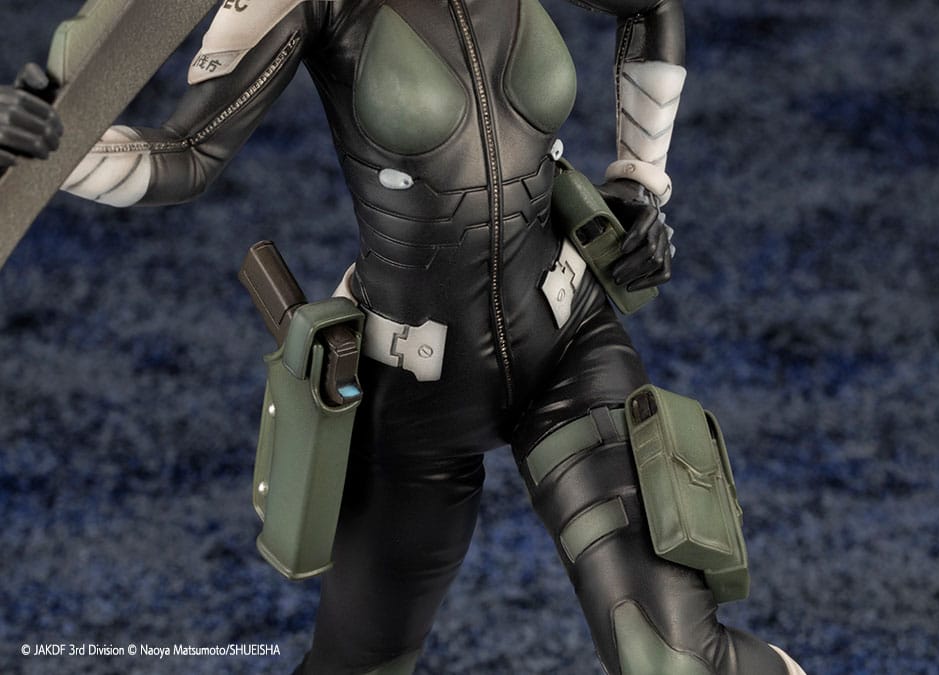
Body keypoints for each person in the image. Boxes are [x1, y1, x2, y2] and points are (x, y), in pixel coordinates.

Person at [0, 1, 807, 673]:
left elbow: (650, 8)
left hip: (568, 341)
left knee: (672, 658)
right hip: (412, 386)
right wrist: (48, 153)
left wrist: (639, 182)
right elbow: (183, 155)